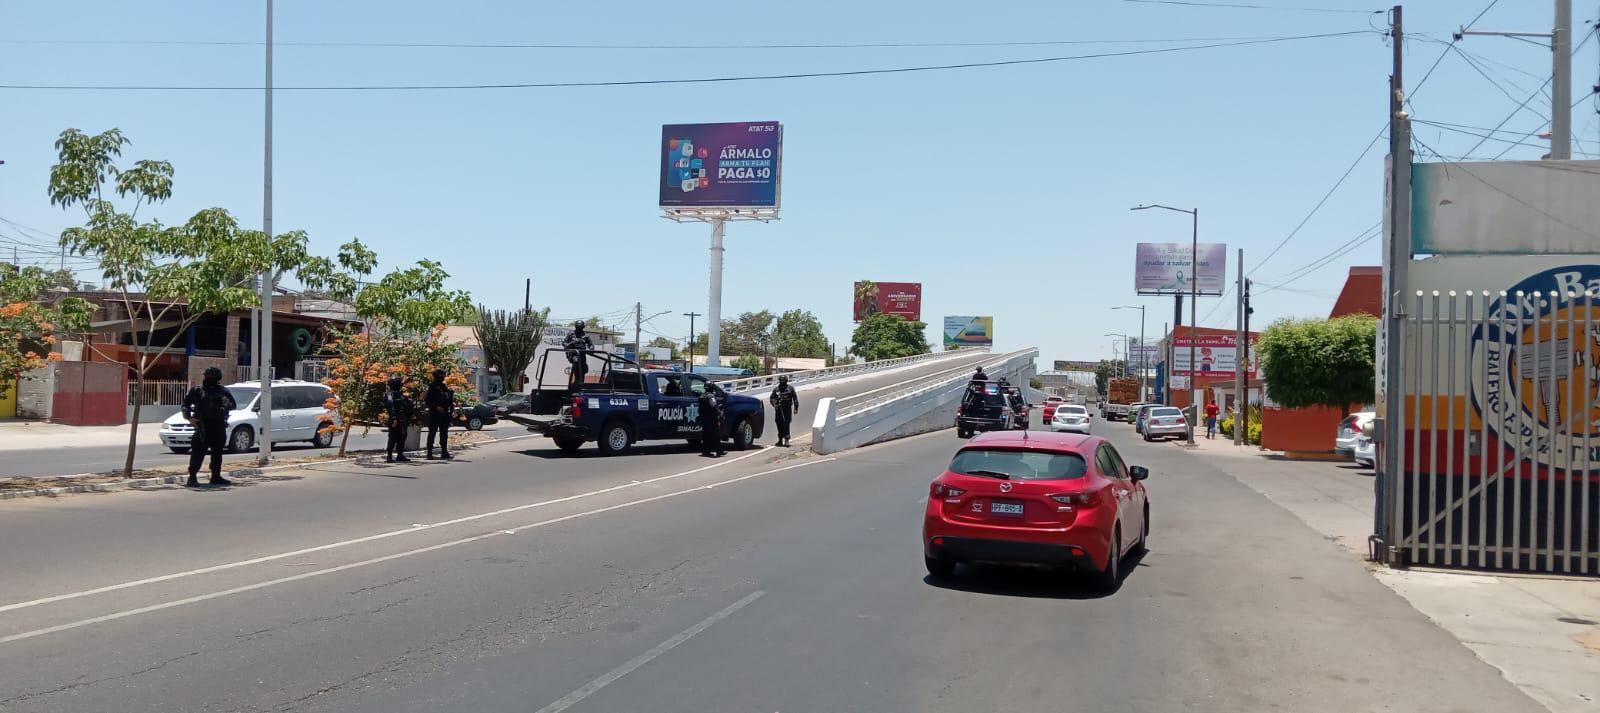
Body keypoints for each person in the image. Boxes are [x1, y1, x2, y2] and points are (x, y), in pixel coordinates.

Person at [182, 366, 237, 487]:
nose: (211, 379)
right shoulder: (197, 391)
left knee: (217, 453)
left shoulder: (223, 391)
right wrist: (189, 418)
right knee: (197, 453)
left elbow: (233, 405)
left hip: (218, 426)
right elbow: (185, 405)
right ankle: (192, 477)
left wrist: (224, 403)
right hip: (203, 427)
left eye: (214, 377)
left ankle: (215, 476)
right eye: (209, 377)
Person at [424, 368, 455, 460]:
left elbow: (448, 399)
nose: (443, 377)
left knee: (444, 434)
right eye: (441, 375)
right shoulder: (431, 386)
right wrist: (436, 407)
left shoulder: (444, 386)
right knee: (432, 433)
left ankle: (444, 452)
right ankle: (429, 453)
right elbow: (428, 400)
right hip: (435, 413)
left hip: (445, 413)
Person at [384, 375, 414, 463]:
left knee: (402, 437)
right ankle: (389, 456)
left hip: (402, 418)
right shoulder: (390, 394)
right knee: (393, 437)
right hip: (395, 419)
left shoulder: (399, 393)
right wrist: (394, 418)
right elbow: (391, 406)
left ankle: (400, 455)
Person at [769, 375, 800, 447]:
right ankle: (780, 440)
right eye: (781, 382)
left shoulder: (790, 389)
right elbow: (772, 398)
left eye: (783, 382)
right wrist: (775, 405)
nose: (782, 383)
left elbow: (795, 399)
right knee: (779, 424)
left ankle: (787, 439)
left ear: (786, 381)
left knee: (786, 423)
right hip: (779, 409)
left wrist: (796, 408)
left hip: (787, 409)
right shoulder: (776, 389)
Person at [563, 321, 594, 388]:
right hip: (574, 354)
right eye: (578, 328)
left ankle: (580, 382)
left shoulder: (586, 335)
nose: (579, 330)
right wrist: (572, 343)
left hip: (582, 354)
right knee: (577, 361)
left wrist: (591, 349)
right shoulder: (571, 334)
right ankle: (577, 381)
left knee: (584, 367)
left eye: (580, 328)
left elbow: (591, 344)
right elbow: (564, 343)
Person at [698, 383, 726, 457]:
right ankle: (719, 451)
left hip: (704, 419)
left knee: (706, 436)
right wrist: (720, 412)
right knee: (716, 435)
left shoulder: (702, 396)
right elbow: (713, 406)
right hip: (711, 419)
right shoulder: (710, 396)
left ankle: (706, 451)